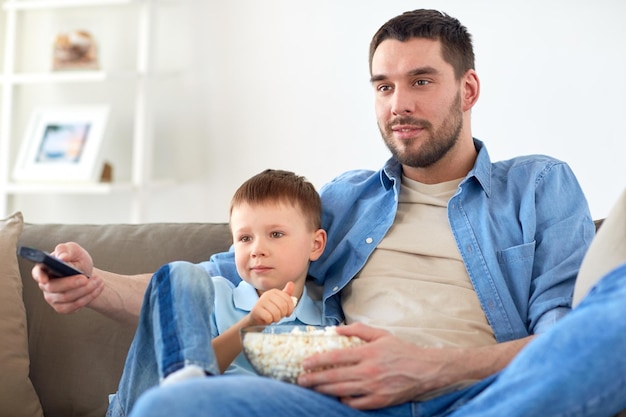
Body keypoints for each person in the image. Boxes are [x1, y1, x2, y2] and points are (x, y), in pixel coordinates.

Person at [32, 8, 626, 417]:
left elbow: (563, 339)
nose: (400, 105)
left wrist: (433, 368)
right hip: (341, 404)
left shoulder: (538, 184)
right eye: (384, 86)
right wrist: (95, 286)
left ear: (468, 90)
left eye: (421, 81)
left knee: (618, 311)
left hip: (484, 398)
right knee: (174, 403)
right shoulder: (345, 199)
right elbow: (222, 279)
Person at [106, 169, 327, 416]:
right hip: (152, 402)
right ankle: (186, 386)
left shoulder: (327, 318)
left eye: (276, 234)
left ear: (315, 245)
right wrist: (251, 325)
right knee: (182, 273)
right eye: (244, 238)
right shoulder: (214, 296)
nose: (257, 249)